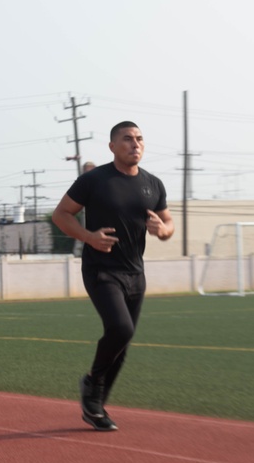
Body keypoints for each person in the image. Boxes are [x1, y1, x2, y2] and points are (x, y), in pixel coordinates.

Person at [52, 121, 174, 431]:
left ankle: (96, 406)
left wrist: (163, 231)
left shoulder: (153, 184)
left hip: (136, 272)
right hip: (101, 269)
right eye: (127, 139)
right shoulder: (94, 180)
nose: (135, 144)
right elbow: (61, 214)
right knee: (120, 329)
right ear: (112, 146)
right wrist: (88, 237)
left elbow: (168, 223)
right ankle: (92, 384)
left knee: (123, 340)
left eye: (140, 139)